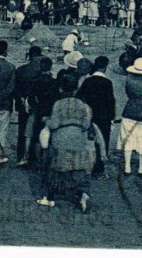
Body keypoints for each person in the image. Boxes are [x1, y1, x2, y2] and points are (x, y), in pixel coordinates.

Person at [36, 79, 97, 212]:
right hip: (78, 137)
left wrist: (46, 120)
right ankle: (83, 193)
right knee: (78, 165)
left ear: (61, 89)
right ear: (75, 89)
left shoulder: (58, 104)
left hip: (61, 136)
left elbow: (54, 124)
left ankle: (49, 198)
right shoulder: (82, 104)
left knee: (55, 166)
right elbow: (86, 124)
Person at [76, 56, 116, 175]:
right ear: (105, 67)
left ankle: (87, 164)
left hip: (89, 115)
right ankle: (99, 168)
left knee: (88, 140)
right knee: (103, 140)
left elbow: (79, 97)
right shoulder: (108, 83)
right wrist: (112, 116)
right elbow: (111, 101)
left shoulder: (88, 81)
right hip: (103, 116)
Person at [15, 46, 45, 167]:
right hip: (38, 106)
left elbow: (15, 88)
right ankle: (34, 159)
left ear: (29, 55)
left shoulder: (21, 69)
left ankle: (21, 156)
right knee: (37, 131)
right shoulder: (42, 70)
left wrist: (20, 100)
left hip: (22, 104)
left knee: (23, 131)